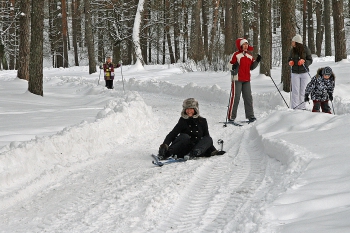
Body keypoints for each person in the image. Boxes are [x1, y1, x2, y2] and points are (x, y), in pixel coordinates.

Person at [158, 98, 225, 160]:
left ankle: (192, 154)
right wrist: (164, 145)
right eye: (187, 109)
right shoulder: (183, 120)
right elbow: (172, 134)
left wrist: (213, 150)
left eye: (191, 109)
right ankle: (168, 153)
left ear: (195, 109)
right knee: (184, 136)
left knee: (208, 138)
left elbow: (206, 138)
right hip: (184, 148)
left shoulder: (203, 121)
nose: (189, 111)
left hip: (196, 149)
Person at [228, 38, 261, 123]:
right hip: (237, 79)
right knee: (236, 97)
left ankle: (250, 116)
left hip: (246, 80)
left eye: (247, 44)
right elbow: (229, 65)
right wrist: (233, 66)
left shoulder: (249, 56)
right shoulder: (236, 55)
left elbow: (252, 67)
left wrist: (257, 60)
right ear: (240, 46)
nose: (246, 46)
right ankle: (231, 116)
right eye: (244, 44)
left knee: (248, 98)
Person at [288, 34, 313, 110]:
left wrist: (304, 62)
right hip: (295, 73)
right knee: (295, 91)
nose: (292, 43)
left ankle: (302, 107)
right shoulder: (292, 50)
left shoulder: (306, 49)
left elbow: (310, 60)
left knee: (303, 91)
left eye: (293, 42)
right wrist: (290, 62)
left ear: (297, 42)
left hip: (304, 73)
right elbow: (289, 59)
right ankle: (295, 107)